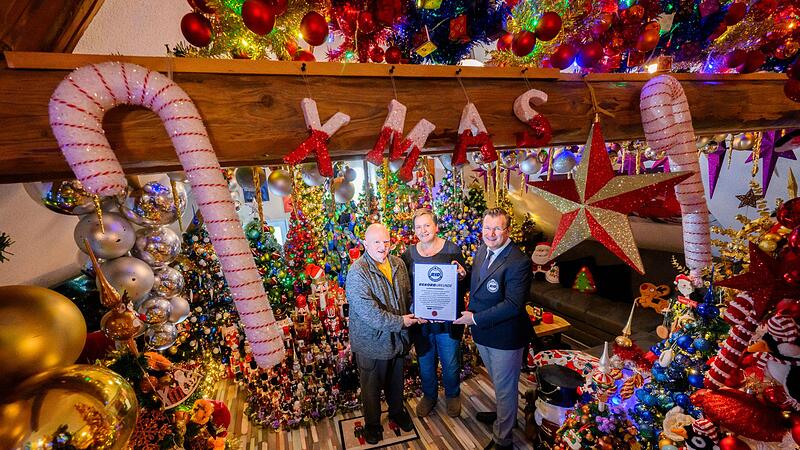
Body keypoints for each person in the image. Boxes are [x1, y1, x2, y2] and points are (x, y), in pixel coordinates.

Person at [453, 208, 533, 450]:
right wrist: (462, 276)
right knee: (500, 383)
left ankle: (503, 439)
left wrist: (474, 319)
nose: (491, 233)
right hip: (484, 333)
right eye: (487, 227)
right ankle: (503, 416)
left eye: (497, 228)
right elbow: (476, 283)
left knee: (506, 387)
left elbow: (513, 306)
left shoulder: (519, 262)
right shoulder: (482, 250)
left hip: (505, 336)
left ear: (507, 230)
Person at [346, 223, 421, 445]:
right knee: (371, 387)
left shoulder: (398, 264)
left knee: (396, 382)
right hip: (371, 343)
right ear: (365, 243)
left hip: (397, 339)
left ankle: (397, 412)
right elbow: (370, 313)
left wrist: (419, 309)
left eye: (386, 241)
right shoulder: (358, 272)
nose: (382, 246)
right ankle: (372, 425)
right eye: (376, 242)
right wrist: (401, 321)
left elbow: (407, 295)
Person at [401, 208, 468, 418]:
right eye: (418, 227)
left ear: (436, 227)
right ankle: (429, 396)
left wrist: (462, 275)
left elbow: (464, 283)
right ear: (414, 230)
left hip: (448, 320)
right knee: (425, 362)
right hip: (422, 321)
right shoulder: (408, 254)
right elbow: (406, 287)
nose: (423, 230)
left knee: (450, 362)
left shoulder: (452, 250)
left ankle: (452, 395)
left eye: (427, 225)